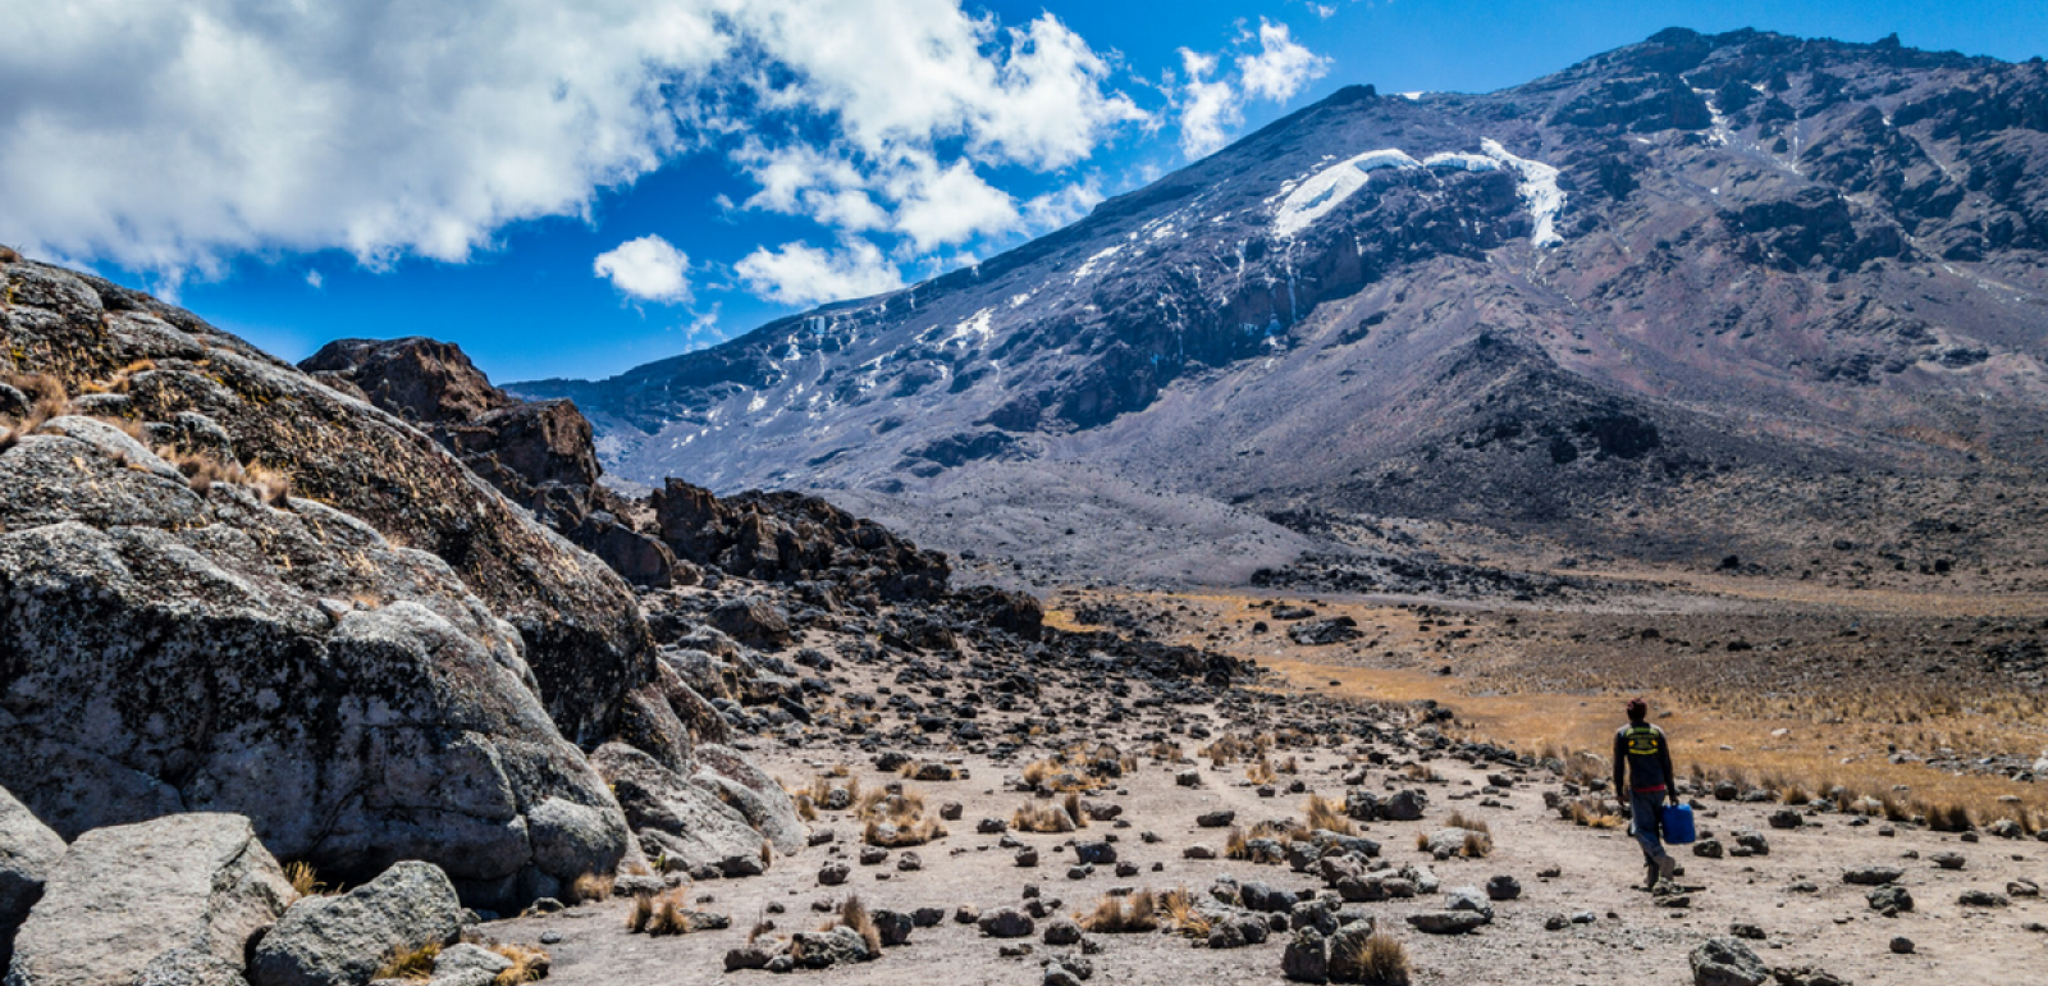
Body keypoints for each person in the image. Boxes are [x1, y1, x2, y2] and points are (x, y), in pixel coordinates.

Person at [1613, 697, 1678, 889]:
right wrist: (1672, 791)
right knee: (1652, 831)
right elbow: (1667, 764)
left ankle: (1661, 859)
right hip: (1659, 787)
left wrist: (1618, 790)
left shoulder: (1623, 733)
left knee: (1640, 830)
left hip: (1639, 788)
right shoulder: (1657, 732)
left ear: (1628, 713)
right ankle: (1653, 877)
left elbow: (1619, 766)